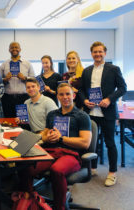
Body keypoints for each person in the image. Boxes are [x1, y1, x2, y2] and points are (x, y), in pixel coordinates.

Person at [20, 83, 92, 210]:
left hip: (71, 154)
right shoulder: (52, 114)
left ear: (73, 95)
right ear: (57, 97)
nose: (65, 97)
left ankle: (60, 207)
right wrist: (45, 137)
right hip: (51, 151)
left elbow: (85, 143)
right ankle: (31, 201)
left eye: (68, 94)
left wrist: (61, 138)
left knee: (56, 170)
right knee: (27, 167)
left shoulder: (82, 116)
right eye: (61, 94)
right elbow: (45, 134)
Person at [79, 41, 127, 187]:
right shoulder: (86, 71)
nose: (98, 54)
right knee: (91, 143)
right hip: (91, 113)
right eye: (95, 52)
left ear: (105, 53)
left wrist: (110, 99)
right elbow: (81, 90)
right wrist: (85, 100)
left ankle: (112, 173)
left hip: (107, 112)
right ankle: (92, 168)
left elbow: (123, 88)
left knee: (110, 143)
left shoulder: (114, 69)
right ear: (91, 54)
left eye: (100, 51)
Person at [0, 42, 35, 117]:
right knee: (8, 122)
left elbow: (34, 80)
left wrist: (25, 78)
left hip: (23, 98)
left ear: (20, 49)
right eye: (12, 47)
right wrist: (5, 79)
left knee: (22, 121)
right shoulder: (4, 64)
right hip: (7, 98)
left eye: (16, 47)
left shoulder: (27, 64)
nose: (14, 49)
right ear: (9, 50)